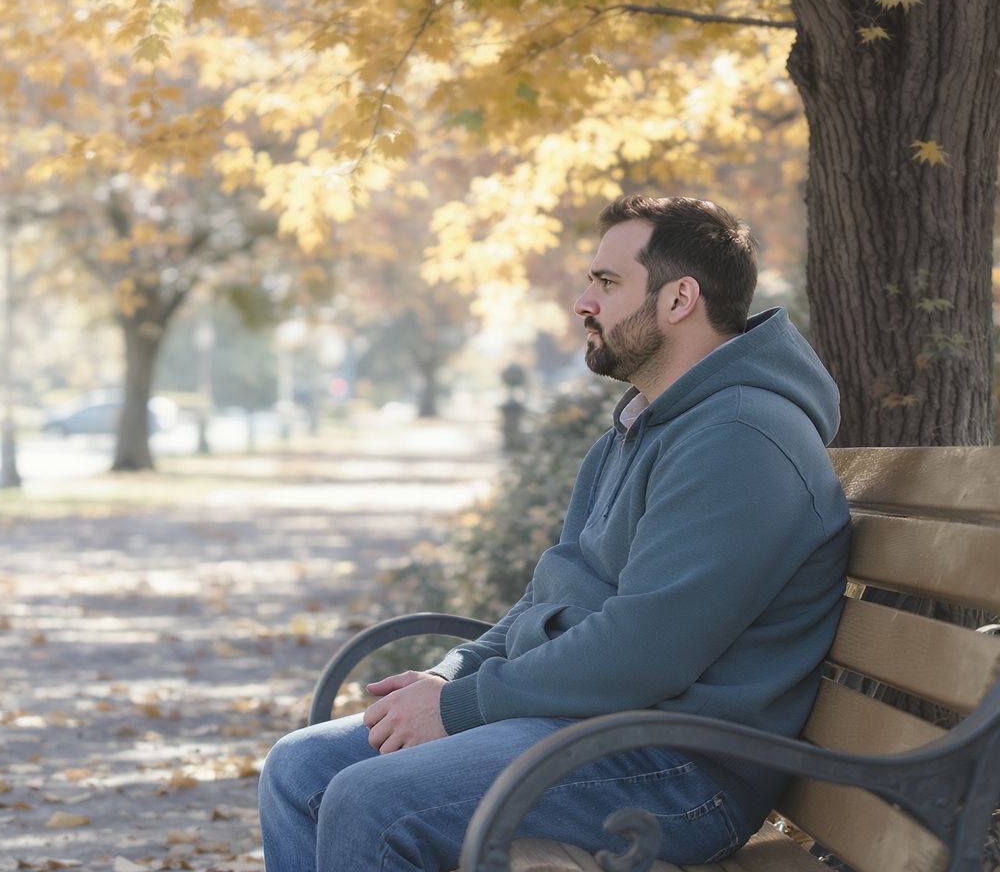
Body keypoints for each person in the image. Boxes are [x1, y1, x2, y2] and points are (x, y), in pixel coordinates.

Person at [258, 195, 851, 872]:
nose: (581, 302)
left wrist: (461, 707)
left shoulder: (740, 439)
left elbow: (644, 651)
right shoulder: (646, 429)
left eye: (605, 282)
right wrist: (449, 674)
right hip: (596, 728)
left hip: (681, 770)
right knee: (298, 767)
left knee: (372, 800)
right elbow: (554, 589)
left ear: (679, 298)